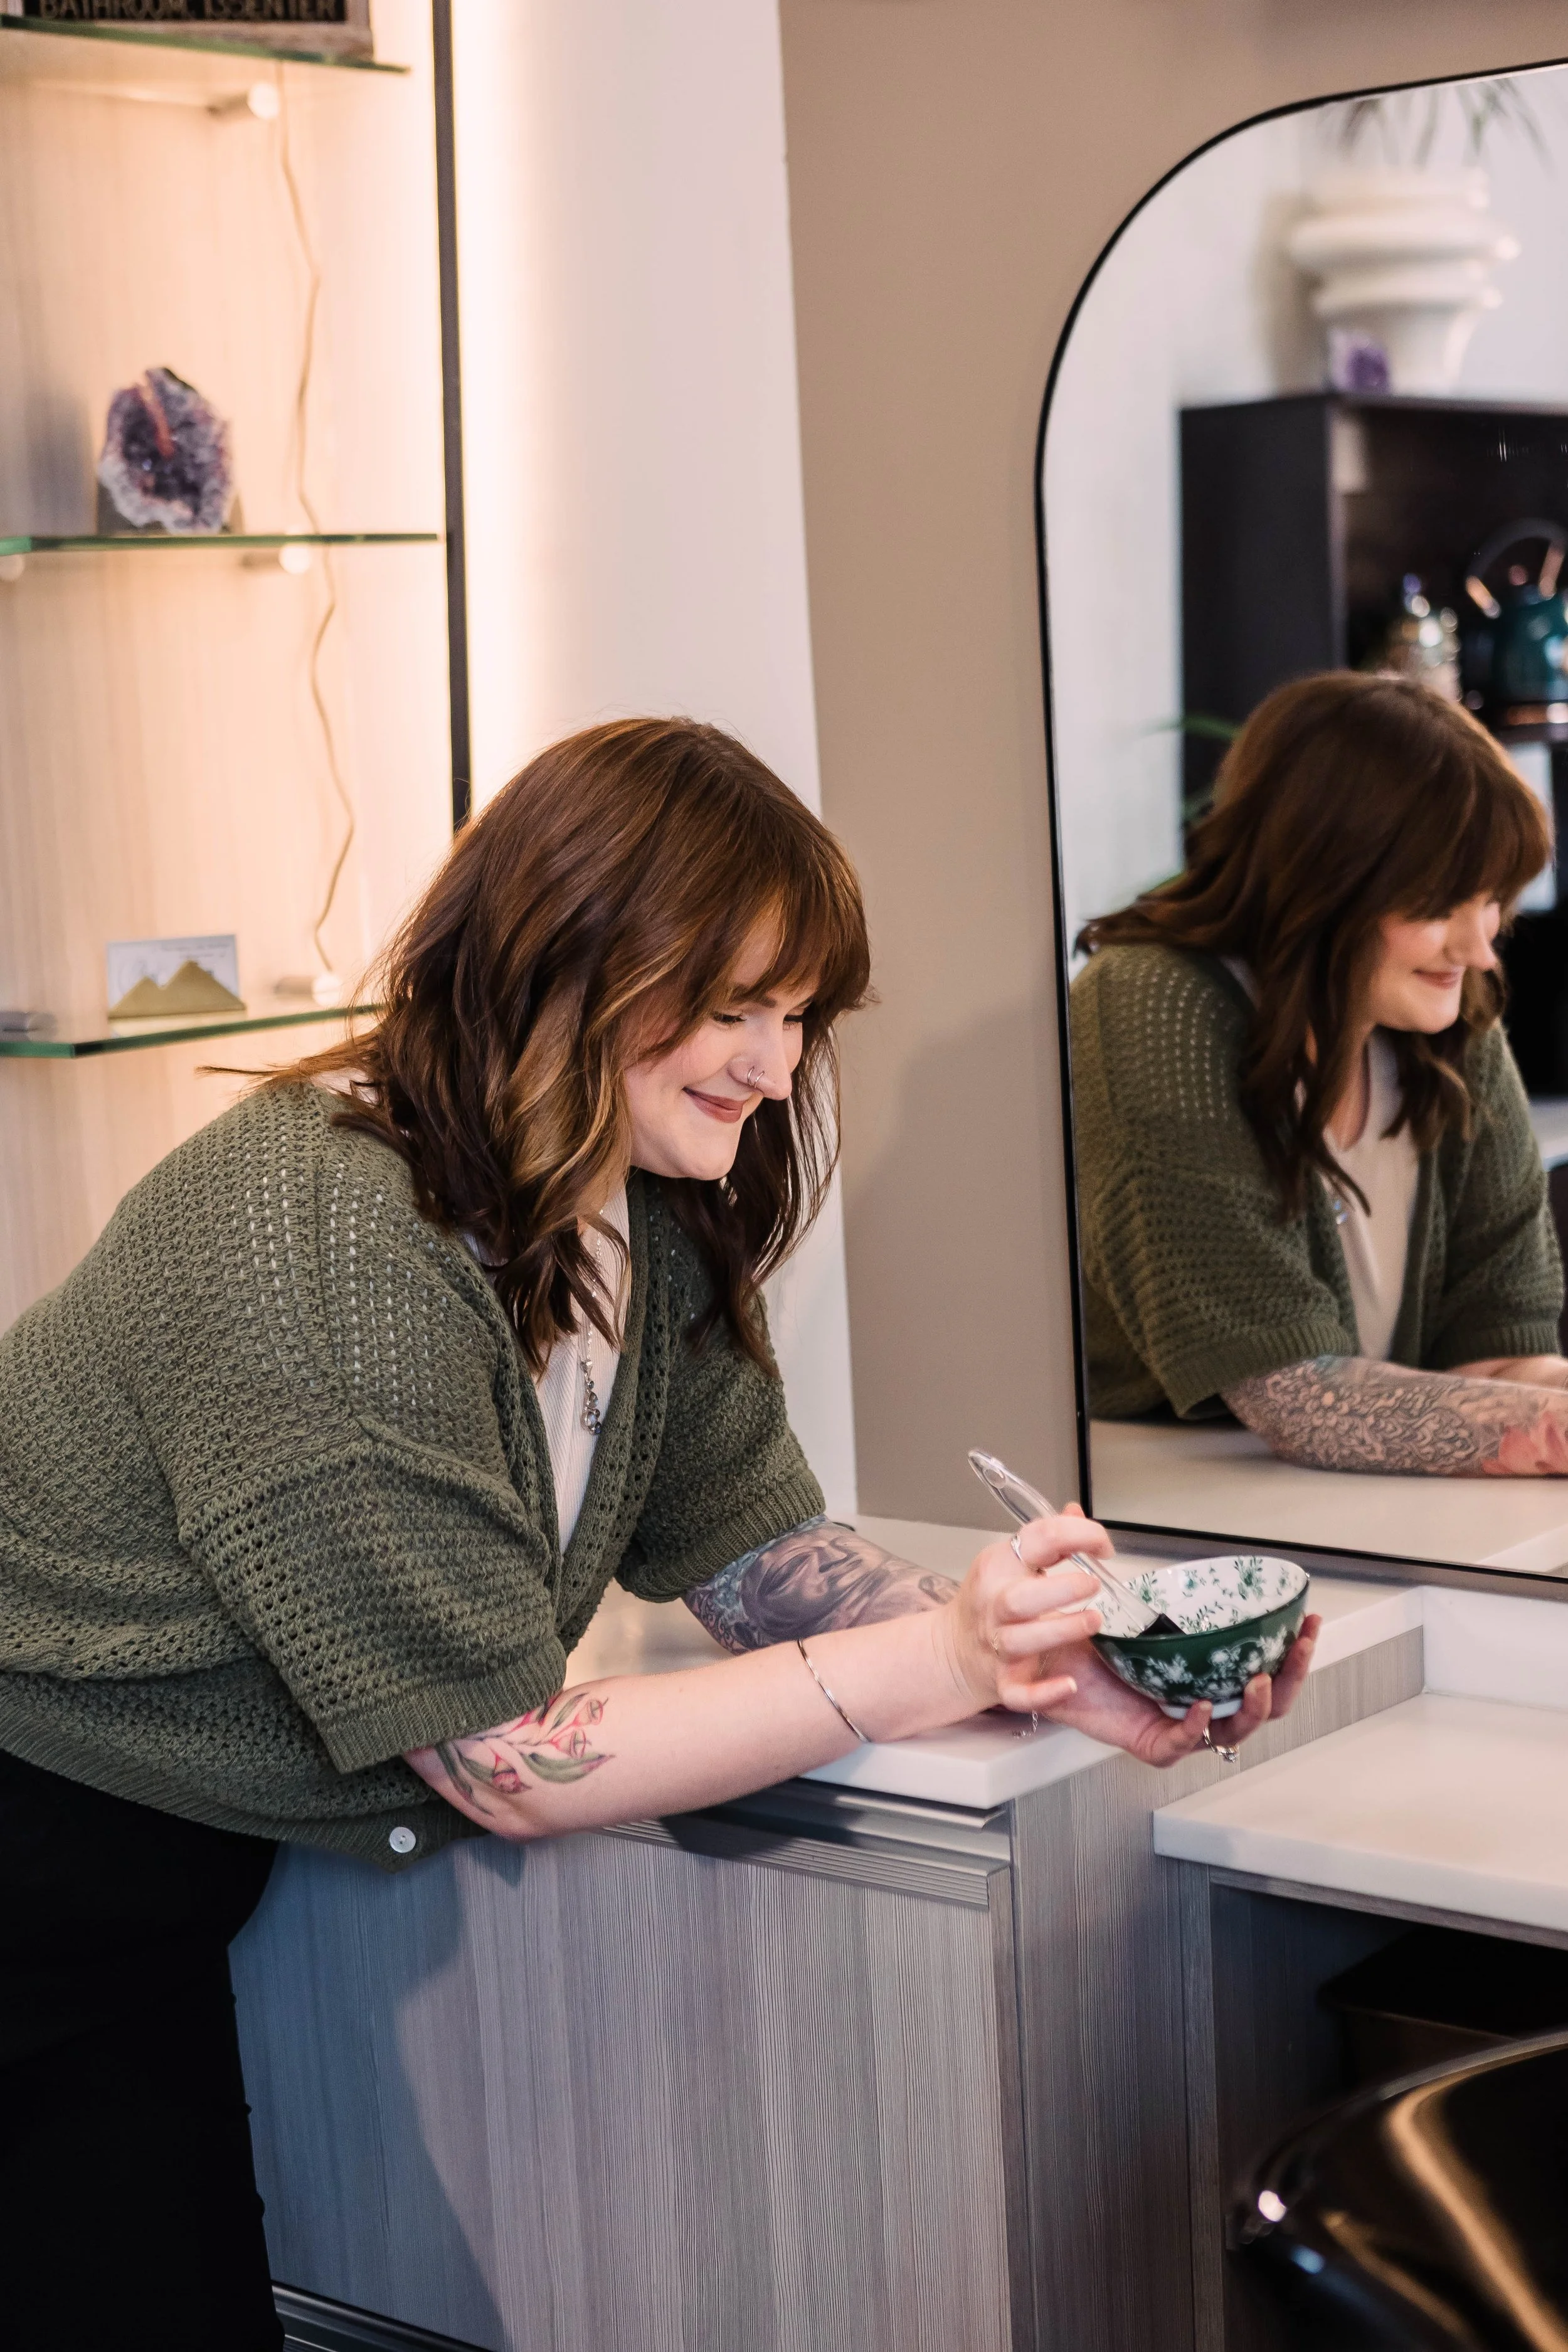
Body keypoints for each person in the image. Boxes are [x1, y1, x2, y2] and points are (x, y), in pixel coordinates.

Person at [0, 718, 1316, 2349]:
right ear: (566, 958)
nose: (774, 1066)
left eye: (796, 1015)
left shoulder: (630, 1211)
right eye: (732, 1005)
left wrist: (1050, 1660)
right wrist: (930, 1653)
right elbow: (501, 1758)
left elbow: (752, 1555)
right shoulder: (325, 1236)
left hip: (136, 1874)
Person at [1071, 669, 1568, 1474]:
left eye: (1491, 901)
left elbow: (1500, 1357)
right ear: (1327, 878)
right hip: (1174, 1518)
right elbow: (1294, 1395)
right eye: (1441, 905)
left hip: (1363, 1509)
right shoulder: (1151, 1001)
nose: (1479, 949)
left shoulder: (1449, 1013)